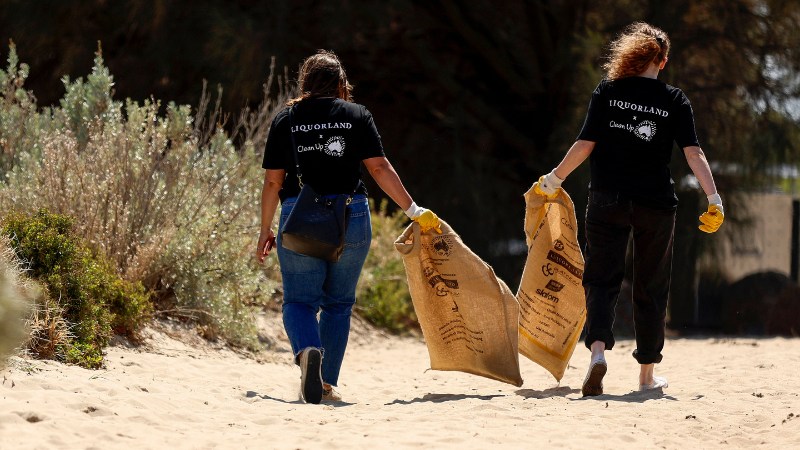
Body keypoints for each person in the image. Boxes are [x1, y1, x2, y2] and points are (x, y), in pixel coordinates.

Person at [533, 22, 724, 397]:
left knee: (601, 279)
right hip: (655, 202)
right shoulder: (675, 100)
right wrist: (713, 198)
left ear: (631, 56)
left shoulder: (607, 91)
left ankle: (598, 354)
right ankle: (646, 377)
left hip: (607, 197)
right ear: (663, 61)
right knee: (652, 285)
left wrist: (554, 178)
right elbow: (693, 153)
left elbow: (585, 144)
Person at [256, 50, 439, 404]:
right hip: (350, 215)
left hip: (299, 216)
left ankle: (309, 350)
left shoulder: (286, 120)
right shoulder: (357, 115)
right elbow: (379, 168)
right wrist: (413, 209)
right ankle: (325, 383)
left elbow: (272, 183)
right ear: (341, 84)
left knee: (300, 301)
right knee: (338, 304)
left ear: (305, 83)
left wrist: (266, 228)